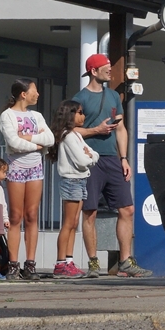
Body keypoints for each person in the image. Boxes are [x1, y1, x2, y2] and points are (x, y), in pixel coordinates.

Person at [73, 53, 152, 278]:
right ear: (93, 71)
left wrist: (124, 158)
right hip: (89, 160)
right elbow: (69, 129)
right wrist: (94, 131)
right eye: (104, 67)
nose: (109, 70)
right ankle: (93, 263)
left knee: (127, 209)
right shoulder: (79, 98)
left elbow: (120, 128)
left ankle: (125, 261)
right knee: (90, 211)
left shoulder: (114, 97)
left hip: (112, 160)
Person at [0, 79, 53, 281]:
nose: (37, 94)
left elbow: (50, 139)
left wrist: (28, 139)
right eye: (34, 90)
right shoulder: (8, 115)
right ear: (23, 93)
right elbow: (13, 143)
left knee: (32, 214)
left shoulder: (36, 116)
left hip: (35, 168)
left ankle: (30, 264)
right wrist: (37, 145)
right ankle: (13, 265)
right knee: (16, 215)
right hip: (16, 167)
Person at [51, 99, 98, 279]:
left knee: (74, 223)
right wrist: (90, 158)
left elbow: (93, 154)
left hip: (80, 180)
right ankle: (60, 263)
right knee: (68, 223)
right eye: (79, 112)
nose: (83, 116)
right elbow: (83, 160)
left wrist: (91, 157)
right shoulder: (68, 136)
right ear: (71, 115)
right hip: (71, 181)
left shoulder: (76, 135)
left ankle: (68, 261)